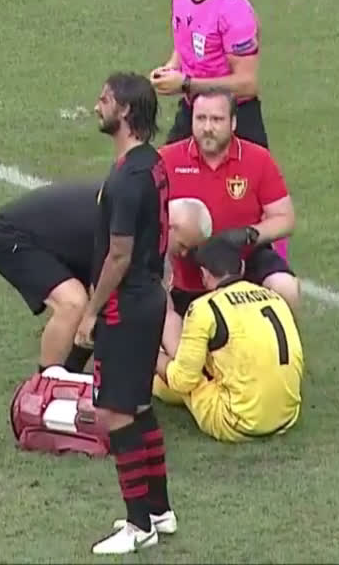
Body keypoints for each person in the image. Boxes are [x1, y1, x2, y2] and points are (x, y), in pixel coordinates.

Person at [74, 71, 175, 555]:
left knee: (114, 412)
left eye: (105, 100)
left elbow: (118, 255)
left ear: (126, 111)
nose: (97, 106)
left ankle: (139, 525)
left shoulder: (126, 179)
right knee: (138, 406)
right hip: (149, 296)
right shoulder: (152, 163)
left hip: (125, 305)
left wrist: (90, 312)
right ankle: (160, 510)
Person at [160, 89, 301, 320]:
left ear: (233, 122)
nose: (207, 127)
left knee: (286, 287)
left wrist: (246, 235)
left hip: (245, 260)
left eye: (216, 119)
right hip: (186, 268)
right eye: (201, 118)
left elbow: (285, 219)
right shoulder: (166, 160)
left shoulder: (258, 159)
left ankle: (281, 341)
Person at [153, 237, 304, 442]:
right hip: (287, 415)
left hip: (237, 422)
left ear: (204, 274)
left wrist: (152, 355)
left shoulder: (205, 308)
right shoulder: (275, 297)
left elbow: (182, 381)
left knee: (178, 377)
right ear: (241, 267)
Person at [149, 0, 269, 148]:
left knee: (252, 172)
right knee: (165, 169)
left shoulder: (234, 12)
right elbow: (186, 42)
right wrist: (171, 68)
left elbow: (247, 84)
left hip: (234, 116)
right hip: (194, 108)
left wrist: (186, 84)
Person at [0, 182, 101, 373]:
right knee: (73, 303)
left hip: (62, 241)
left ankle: (70, 374)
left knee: (101, 307)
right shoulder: (124, 227)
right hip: (11, 235)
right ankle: (46, 383)